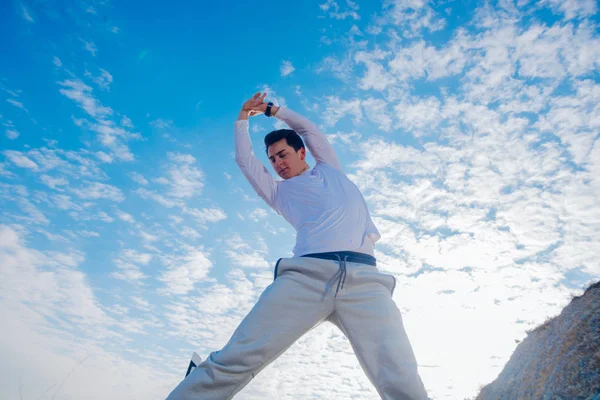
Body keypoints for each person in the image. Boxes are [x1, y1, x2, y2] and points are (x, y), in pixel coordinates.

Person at [166, 93, 428, 400]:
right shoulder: (277, 193)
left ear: (301, 152)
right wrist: (241, 118)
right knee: (238, 357)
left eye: (282, 154)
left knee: (401, 377)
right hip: (306, 278)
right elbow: (244, 160)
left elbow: (308, 128)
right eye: (273, 159)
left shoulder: (330, 168)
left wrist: (270, 110)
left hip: (366, 284)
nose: (277, 163)